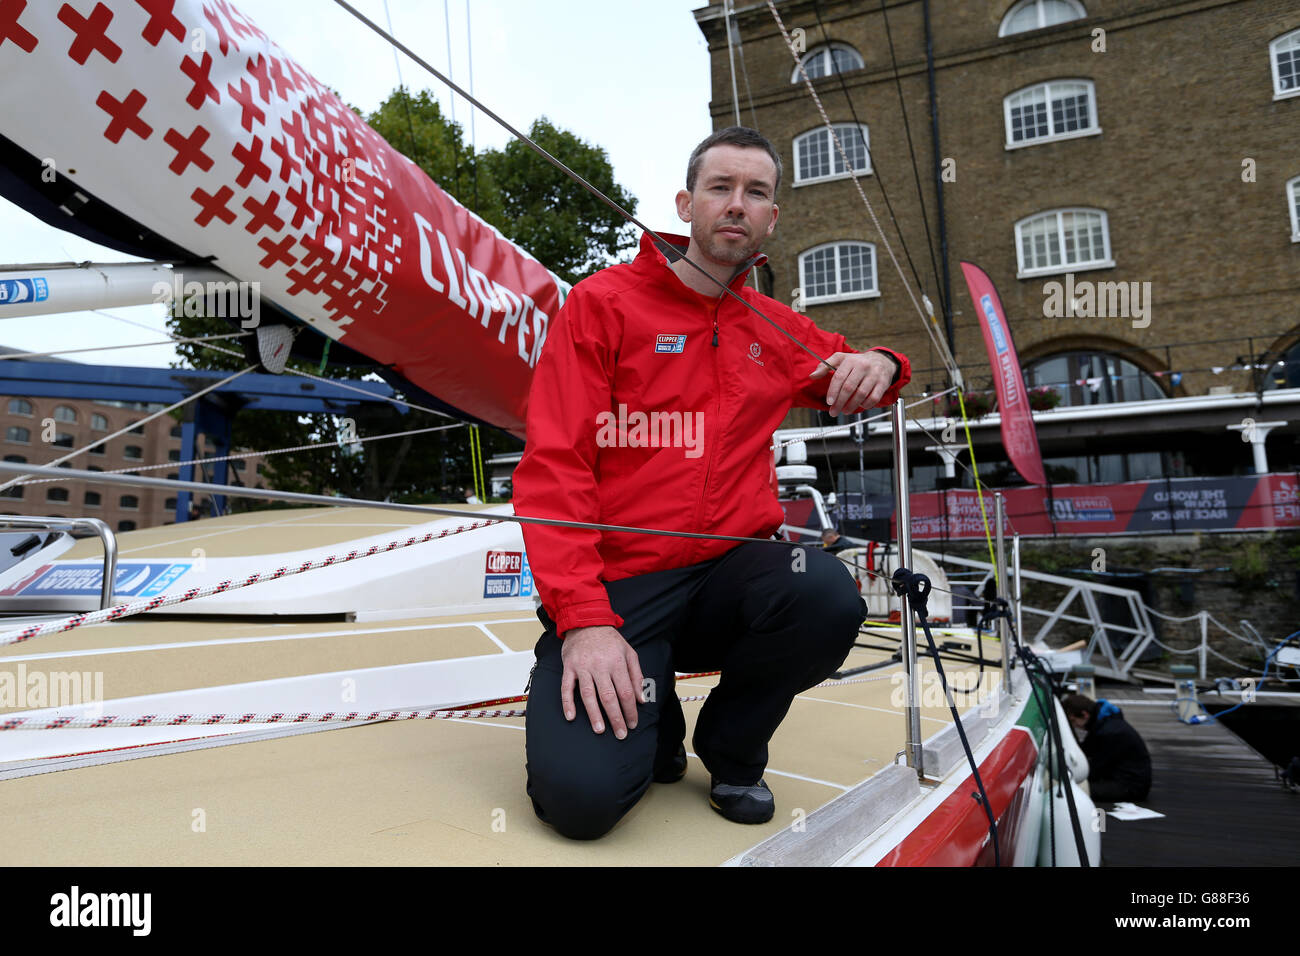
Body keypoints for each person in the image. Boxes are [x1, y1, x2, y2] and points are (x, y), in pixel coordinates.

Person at [511, 126, 911, 840]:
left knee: (824, 592)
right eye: (720, 188)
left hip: (727, 575)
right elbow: (555, 467)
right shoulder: (603, 306)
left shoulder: (776, 327)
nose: (736, 204)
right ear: (685, 204)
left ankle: (731, 751)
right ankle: (653, 715)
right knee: (582, 802)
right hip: (623, 588)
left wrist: (882, 359)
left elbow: (857, 374)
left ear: (771, 218)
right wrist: (584, 621)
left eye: (755, 192)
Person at [1063, 693, 1152, 803]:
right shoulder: (1102, 722)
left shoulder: (1110, 732)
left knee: (1073, 790)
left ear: (1084, 714)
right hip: (1117, 776)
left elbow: (1095, 768)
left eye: (1073, 721)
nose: (1075, 725)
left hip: (1131, 786)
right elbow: (1085, 750)